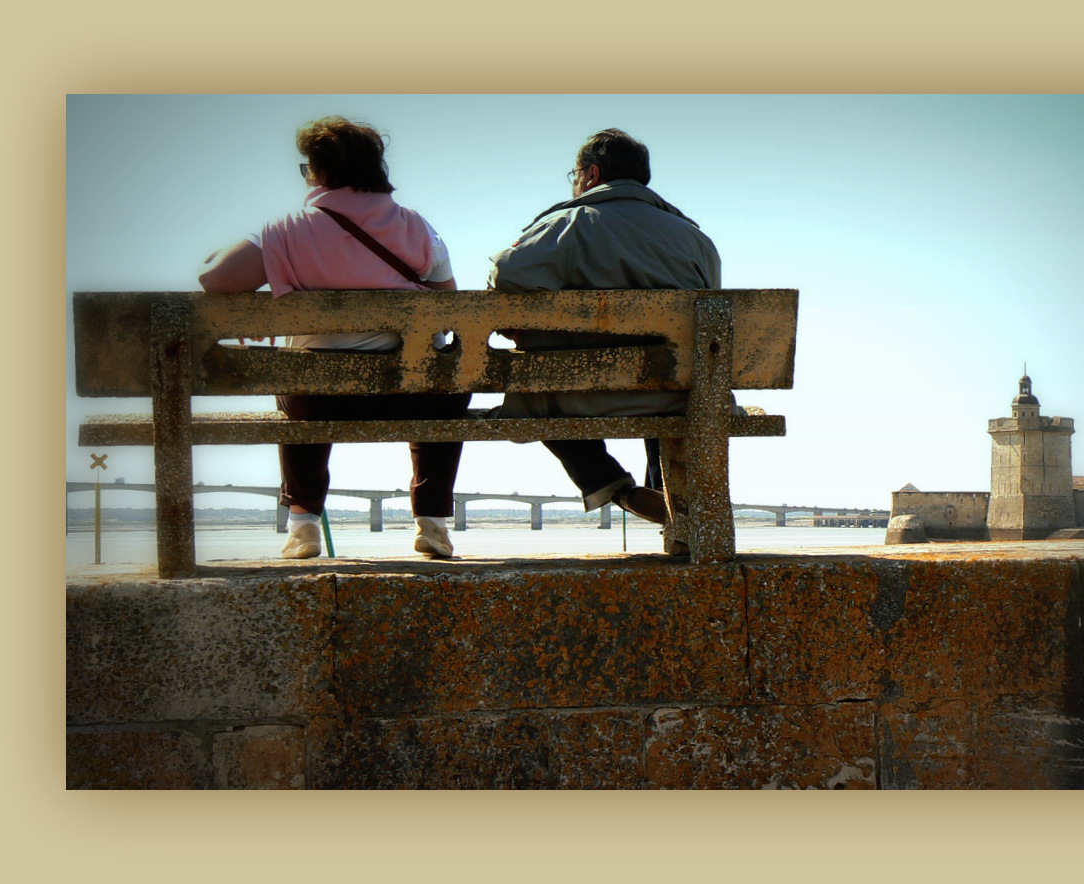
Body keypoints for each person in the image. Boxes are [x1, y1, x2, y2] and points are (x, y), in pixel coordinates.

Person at [197, 116, 469, 560]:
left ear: (319, 172)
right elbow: (451, 308)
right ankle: (433, 522)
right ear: (376, 169)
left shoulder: (286, 230)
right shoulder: (417, 228)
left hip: (318, 398)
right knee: (442, 381)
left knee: (299, 383)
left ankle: (303, 524)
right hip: (409, 395)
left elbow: (213, 277)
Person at [487, 128, 721, 528]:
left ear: (591, 174)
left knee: (535, 389)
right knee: (672, 368)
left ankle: (611, 484)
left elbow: (506, 274)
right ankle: (673, 507)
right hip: (677, 395)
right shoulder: (695, 239)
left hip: (579, 395)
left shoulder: (570, 223)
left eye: (574, 175)